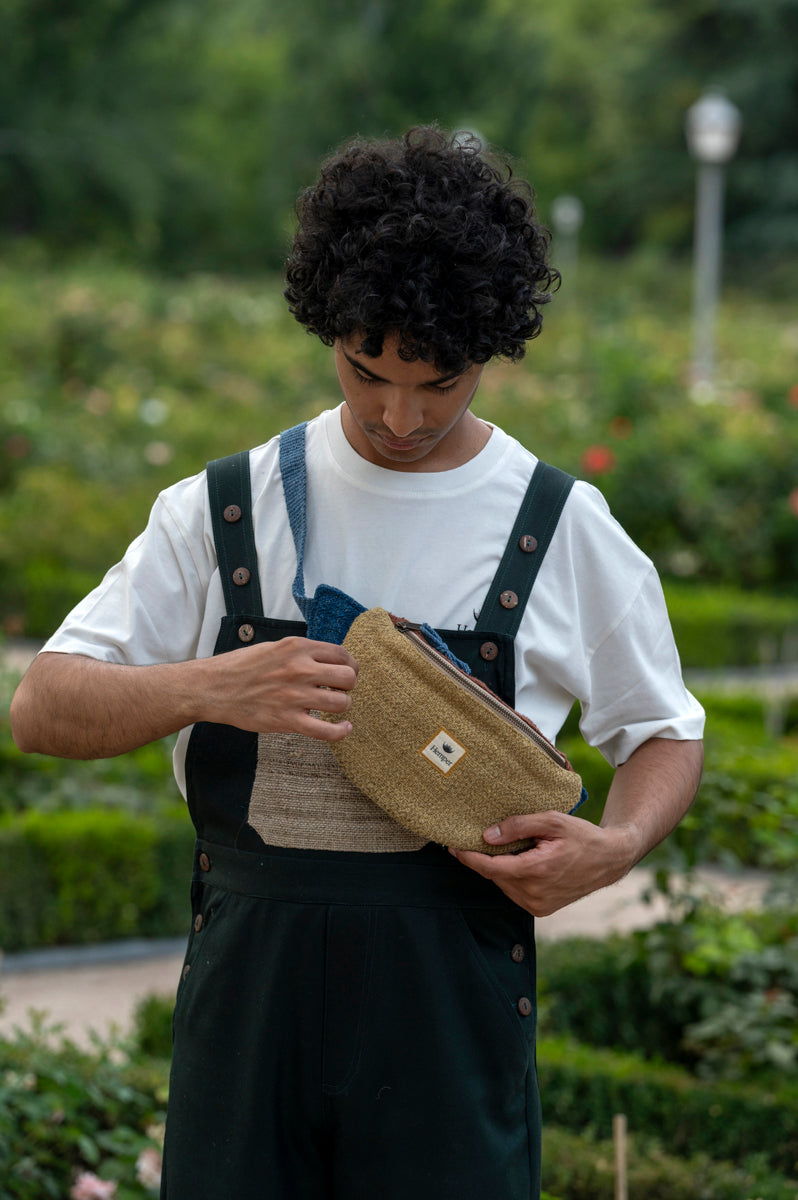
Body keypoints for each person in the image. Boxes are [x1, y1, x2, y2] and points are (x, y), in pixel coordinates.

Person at [10, 125, 704, 1200]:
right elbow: (41, 707)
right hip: (248, 1005)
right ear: (325, 326)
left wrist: (615, 846)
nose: (398, 415)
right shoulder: (220, 508)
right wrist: (211, 685)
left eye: (441, 383)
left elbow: (664, 731)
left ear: (493, 348)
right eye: (366, 369)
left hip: (451, 1010)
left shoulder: (560, 525)